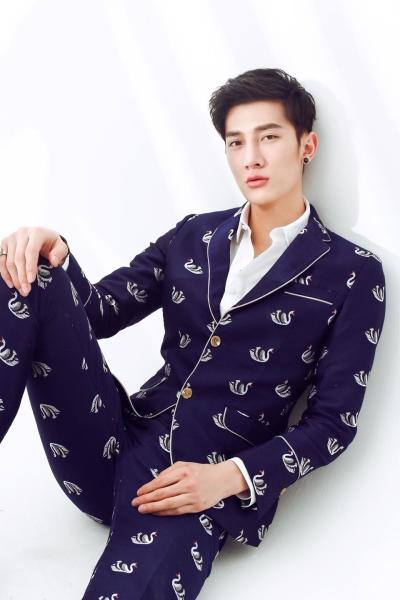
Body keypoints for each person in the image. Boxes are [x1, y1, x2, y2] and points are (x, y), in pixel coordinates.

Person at [0, 68, 386, 598]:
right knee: (25, 274)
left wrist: (228, 478)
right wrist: (55, 254)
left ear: (307, 146)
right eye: (236, 142)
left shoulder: (353, 272)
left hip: (198, 487)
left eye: (269, 137)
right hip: (109, 443)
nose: (251, 157)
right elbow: (98, 314)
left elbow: (333, 422)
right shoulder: (192, 235)